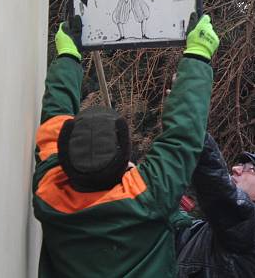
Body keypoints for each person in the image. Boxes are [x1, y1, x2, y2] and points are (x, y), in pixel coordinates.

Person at [32, 14, 219, 277]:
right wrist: (198, 54)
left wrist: (67, 58)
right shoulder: (148, 195)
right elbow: (182, 136)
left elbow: (181, 137)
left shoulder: (49, 188)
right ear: (125, 157)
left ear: (64, 153)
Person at [175, 134, 255, 277]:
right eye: (241, 164)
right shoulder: (210, 230)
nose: (236, 168)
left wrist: (196, 132)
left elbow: (220, 189)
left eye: (251, 169)